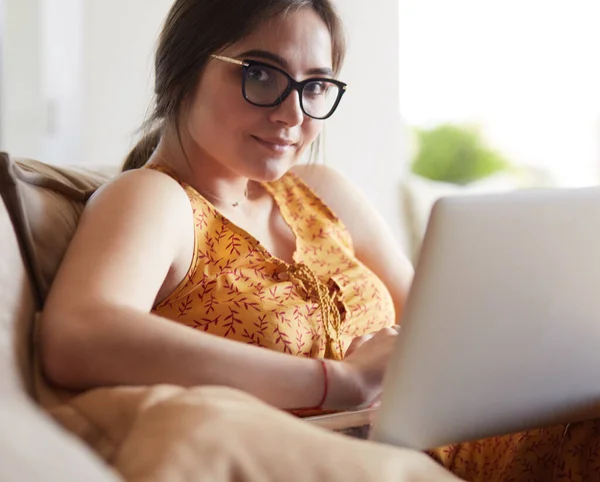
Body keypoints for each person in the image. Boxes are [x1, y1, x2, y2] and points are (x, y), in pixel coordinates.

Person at [40, 0, 414, 415]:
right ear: (183, 70)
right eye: (259, 74)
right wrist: (340, 382)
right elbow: (77, 336)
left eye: (315, 86)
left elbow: (438, 316)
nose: (292, 115)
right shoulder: (156, 198)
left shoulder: (322, 190)